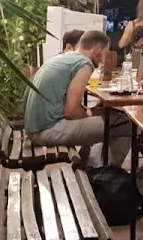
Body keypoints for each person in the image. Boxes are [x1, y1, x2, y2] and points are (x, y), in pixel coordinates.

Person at [25, 31, 131, 167]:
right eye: (106, 52)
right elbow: (71, 112)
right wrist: (91, 113)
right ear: (98, 49)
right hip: (48, 130)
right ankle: (103, 171)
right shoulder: (84, 64)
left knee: (110, 120)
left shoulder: (64, 58)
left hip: (35, 128)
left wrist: (93, 112)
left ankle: (93, 165)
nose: (104, 58)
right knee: (128, 125)